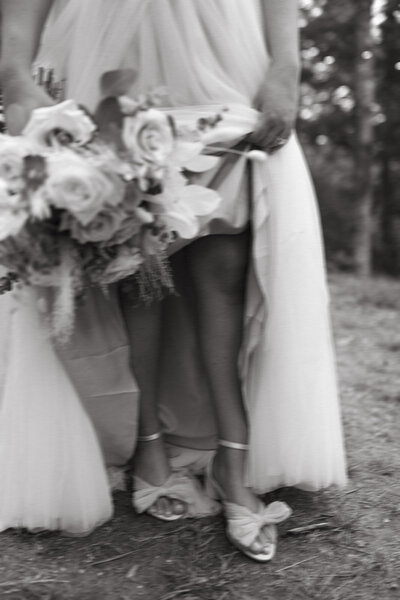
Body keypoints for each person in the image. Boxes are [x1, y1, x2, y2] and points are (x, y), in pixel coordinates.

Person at [0, 0, 347, 561]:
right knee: (132, 255)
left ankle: (234, 459)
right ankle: (149, 447)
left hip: (222, 47)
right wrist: (14, 74)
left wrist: (286, 68)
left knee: (227, 259)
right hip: (105, 43)